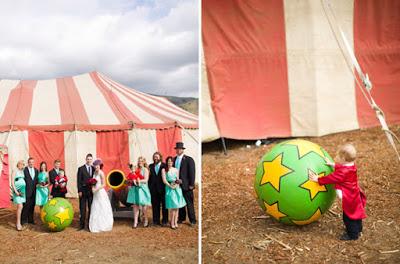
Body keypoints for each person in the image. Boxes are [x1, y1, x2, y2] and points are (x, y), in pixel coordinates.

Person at [309, 144, 366, 241]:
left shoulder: (342, 172)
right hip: (355, 195)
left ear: (343, 158)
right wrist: (333, 165)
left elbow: (331, 178)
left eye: (338, 156)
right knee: (356, 213)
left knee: (348, 217)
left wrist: (318, 179)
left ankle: (352, 235)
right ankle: (358, 229)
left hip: (349, 198)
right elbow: (343, 168)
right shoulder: (352, 166)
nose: (337, 158)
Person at [173, 142, 196, 226]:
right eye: (177, 149)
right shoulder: (174, 159)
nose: (178, 150)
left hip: (186, 185)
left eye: (180, 149)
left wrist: (191, 184)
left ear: (183, 150)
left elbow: (192, 173)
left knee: (189, 203)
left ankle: (192, 220)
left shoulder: (189, 159)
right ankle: (181, 218)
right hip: (177, 185)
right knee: (180, 202)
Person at [89, 159, 113, 232]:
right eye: (95, 165)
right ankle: (96, 224)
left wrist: (96, 189)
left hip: (100, 192)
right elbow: (93, 182)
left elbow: (104, 184)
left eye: (97, 165)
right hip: (95, 193)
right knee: (96, 207)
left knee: (102, 206)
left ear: (100, 166)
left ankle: (104, 224)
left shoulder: (101, 173)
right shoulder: (94, 173)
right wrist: (93, 188)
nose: (96, 167)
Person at [162, 156, 186, 229]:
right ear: (167, 162)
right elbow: (164, 180)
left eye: (171, 161)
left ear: (173, 162)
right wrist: (170, 185)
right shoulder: (164, 170)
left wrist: (176, 185)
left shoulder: (176, 169)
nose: (170, 163)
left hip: (177, 188)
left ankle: (175, 222)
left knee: (177, 207)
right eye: (168, 161)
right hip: (169, 188)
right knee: (173, 206)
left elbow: (177, 179)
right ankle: (172, 222)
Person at [127, 157, 151, 228]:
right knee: (135, 205)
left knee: (144, 206)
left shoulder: (145, 170)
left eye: (141, 161)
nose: (140, 162)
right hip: (135, 189)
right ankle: (135, 221)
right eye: (139, 161)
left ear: (144, 162)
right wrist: (131, 181)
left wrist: (138, 181)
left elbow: (146, 180)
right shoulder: (136, 169)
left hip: (142, 189)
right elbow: (131, 177)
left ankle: (146, 220)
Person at [148, 152, 168, 226]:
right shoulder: (150, 166)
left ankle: (165, 221)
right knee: (155, 205)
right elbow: (149, 178)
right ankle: (156, 221)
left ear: (160, 157)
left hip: (163, 189)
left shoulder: (164, 165)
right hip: (153, 189)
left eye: (157, 157)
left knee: (164, 205)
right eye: (154, 157)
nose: (155, 158)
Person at [77, 153, 94, 231]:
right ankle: (81, 225)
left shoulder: (94, 168)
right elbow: (79, 180)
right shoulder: (81, 168)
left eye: (90, 159)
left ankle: (89, 225)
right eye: (88, 159)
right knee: (82, 208)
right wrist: (79, 190)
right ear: (86, 159)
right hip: (83, 191)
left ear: (92, 160)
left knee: (91, 208)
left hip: (91, 192)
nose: (89, 160)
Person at [22, 157, 38, 225]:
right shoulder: (24, 170)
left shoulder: (36, 170)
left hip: (34, 192)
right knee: (26, 206)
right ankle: (23, 220)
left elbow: (37, 180)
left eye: (32, 162)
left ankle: (31, 220)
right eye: (30, 162)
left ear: (34, 163)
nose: (31, 163)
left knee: (32, 206)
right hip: (26, 191)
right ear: (28, 163)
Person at [11, 160, 26, 231]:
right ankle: (18, 223)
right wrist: (15, 191)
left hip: (22, 190)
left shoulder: (22, 171)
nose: (22, 165)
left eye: (23, 164)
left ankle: (19, 221)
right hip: (17, 190)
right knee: (20, 206)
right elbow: (12, 182)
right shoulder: (14, 170)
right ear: (18, 164)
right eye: (22, 164)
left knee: (20, 206)